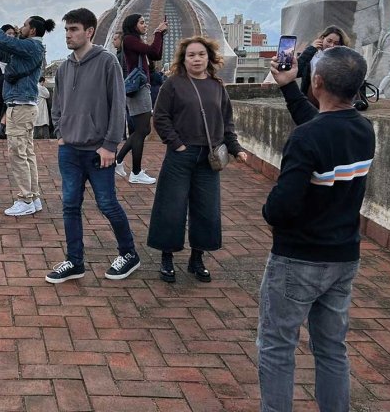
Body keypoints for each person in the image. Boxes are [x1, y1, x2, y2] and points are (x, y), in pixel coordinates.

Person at [259, 47, 374, 412]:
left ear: (318, 81)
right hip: (343, 256)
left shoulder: (306, 139)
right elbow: (322, 124)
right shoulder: (362, 127)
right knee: (331, 349)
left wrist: (269, 207)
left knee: (277, 347)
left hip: (299, 258)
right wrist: (289, 88)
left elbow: (281, 207)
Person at [47, 8, 139, 283]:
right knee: (70, 206)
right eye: (66, 30)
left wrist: (110, 145)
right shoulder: (64, 67)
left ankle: (129, 253)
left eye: (73, 29)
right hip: (70, 149)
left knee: (107, 204)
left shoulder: (107, 62)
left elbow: (118, 106)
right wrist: (59, 133)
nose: (68, 35)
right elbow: (58, 104)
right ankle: (74, 262)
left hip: (99, 150)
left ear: (89, 32)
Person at [147, 36, 248, 283]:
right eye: (191, 55)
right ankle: (167, 258)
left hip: (209, 157)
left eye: (201, 54)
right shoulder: (174, 84)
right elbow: (160, 117)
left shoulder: (216, 86)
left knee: (206, 210)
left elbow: (226, 122)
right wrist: (177, 144)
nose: (196, 59)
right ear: (184, 58)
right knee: (171, 208)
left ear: (209, 58)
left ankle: (197, 258)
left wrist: (235, 148)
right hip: (181, 155)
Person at [0, 8, 50, 216]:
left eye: (25, 25)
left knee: (18, 154)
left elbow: (7, 43)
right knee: (26, 153)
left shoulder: (31, 46)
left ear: (32, 30)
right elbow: (2, 52)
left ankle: (25, 199)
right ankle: (33, 196)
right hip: (23, 106)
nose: (21, 27)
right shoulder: (30, 48)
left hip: (20, 108)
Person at [115, 14, 166, 185]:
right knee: (142, 130)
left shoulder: (135, 41)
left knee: (142, 130)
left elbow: (156, 55)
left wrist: (161, 36)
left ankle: (119, 161)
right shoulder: (129, 39)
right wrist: (158, 32)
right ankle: (135, 172)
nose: (145, 25)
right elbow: (152, 51)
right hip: (138, 90)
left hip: (141, 89)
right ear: (133, 25)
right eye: (142, 23)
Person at [297, 25, 351, 103]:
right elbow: (297, 71)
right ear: (322, 38)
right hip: (312, 98)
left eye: (336, 43)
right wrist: (311, 49)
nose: (331, 45)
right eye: (329, 41)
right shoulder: (312, 54)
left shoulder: (342, 57)